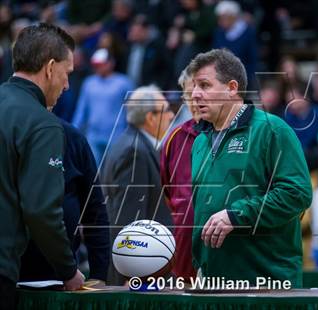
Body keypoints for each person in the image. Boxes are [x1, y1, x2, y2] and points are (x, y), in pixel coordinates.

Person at [189, 49, 312, 287]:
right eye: (194, 86)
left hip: (266, 281)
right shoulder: (199, 141)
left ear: (232, 87)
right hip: (212, 281)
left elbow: (297, 194)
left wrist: (237, 215)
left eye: (204, 85)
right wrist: (200, 263)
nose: (195, 94)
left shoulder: (272, 129)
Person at [0, 23, 85, 308]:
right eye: (67, 73)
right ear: (50, 68)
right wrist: (68, 269)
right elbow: (41, 210)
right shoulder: (42, 124)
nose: (67, 85)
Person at [20, 119, 110, 284]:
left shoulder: (73, 138)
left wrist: (99, 274)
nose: (66, 90)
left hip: (62, 280)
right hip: (11, 274)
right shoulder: (10, 133)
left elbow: (95, 210)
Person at [101, 85, 174, 285]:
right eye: (166, 110)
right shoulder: (134, 152)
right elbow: (128, 216)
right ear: (150, 117)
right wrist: (130, 271)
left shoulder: (130, 143)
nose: (171, 116)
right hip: (140, 269)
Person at [160, 68, 200, 281]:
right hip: (184, 258)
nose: (194, 99)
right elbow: (168, 195)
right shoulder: (174, 139)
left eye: (201, 90)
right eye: (188, 94)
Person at [72, 48, 134, 164]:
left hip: (117, 134)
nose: (98, 68)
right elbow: (82, 109)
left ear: (111, 63)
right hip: (93, 134)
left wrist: (131, 132)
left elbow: (131, 109)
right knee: (93, 169)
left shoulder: (123, 83)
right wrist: (74, 128)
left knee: (115, 168)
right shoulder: (89, 83)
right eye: (96, 65)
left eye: (101, 64)